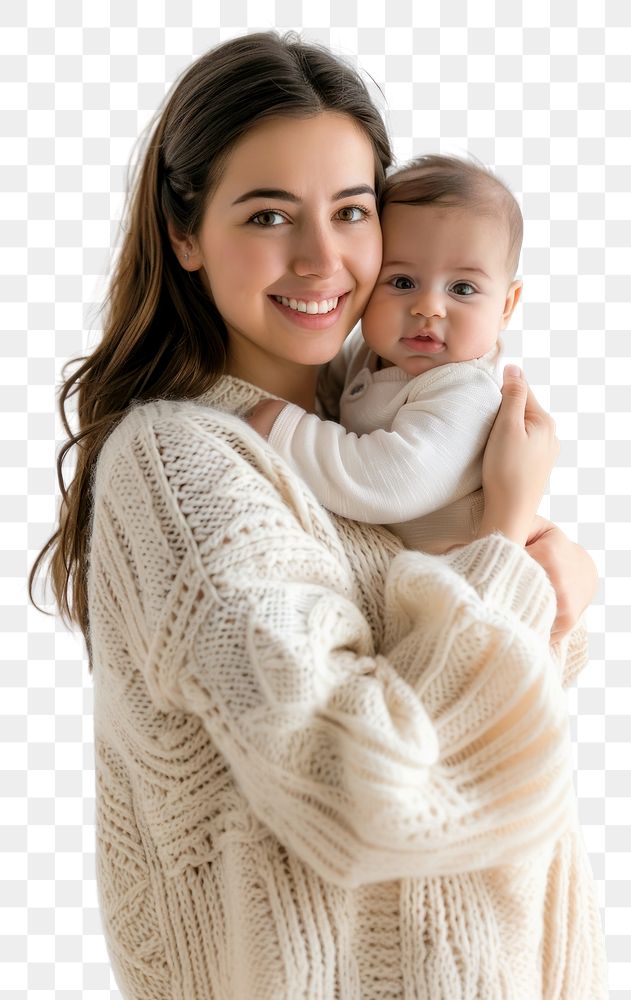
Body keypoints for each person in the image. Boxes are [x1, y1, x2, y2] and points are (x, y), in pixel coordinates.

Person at [30, 30, 606, 1000]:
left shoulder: (379, 417)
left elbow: (496, 747)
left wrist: (549, 597)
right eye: (267, 214)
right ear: (184, 235)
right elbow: (364, 789)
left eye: (350, 211)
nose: (322, 258)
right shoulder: (179, 463)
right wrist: (510, 544)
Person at [247, 154, 524, 555]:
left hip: (455, 571)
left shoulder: (464, 390)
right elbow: (325, 392)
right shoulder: (371, 353)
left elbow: (389, 479)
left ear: (506, 306)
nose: (428, 307)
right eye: (402, 281)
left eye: (462, 289)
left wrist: (289, 433)